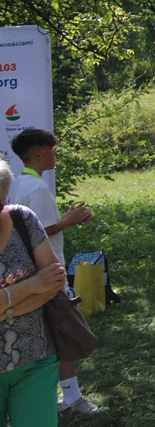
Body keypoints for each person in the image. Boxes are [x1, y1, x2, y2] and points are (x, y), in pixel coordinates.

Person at [8, 129, 99, 415]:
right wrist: (69, 220)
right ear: (38, 154)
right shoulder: (39, 189)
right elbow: (41, 232)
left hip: (25, 272)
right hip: (49, 269)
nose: (54, 155)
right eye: (52, 150)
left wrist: (66, 219)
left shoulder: (17, 185)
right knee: (64, 333)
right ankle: (71, 397)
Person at [0, 160, 68, 427]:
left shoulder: (22, 219)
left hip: (37, 358)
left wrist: (6, 307)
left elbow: (54, 281)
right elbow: (41, 283)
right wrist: (30, 286)